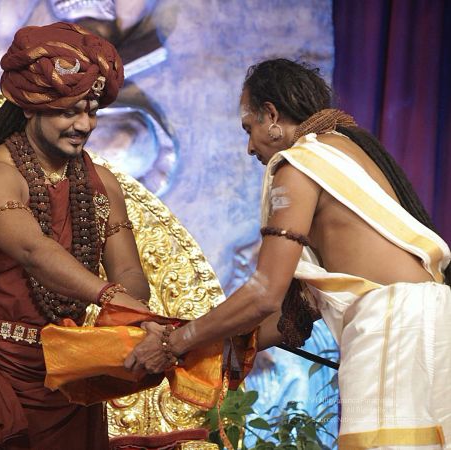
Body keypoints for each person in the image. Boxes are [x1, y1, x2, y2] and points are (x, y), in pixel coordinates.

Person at [125, 58, 451, 448]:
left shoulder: (298, 166)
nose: (250, 147)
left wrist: (174, 343)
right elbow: (295, 312)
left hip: (392, 325)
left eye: (249, 128)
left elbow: (264, 293)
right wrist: (213, 346)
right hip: (431, 319)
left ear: (271, 115)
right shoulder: (344, 151)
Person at [0, 22, 151, 450]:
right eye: (69, 111)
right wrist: (110, 296)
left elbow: (130, 272)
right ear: (29, 108)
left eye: (91, 111)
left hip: (68, 375)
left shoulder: (102, 184)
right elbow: (33, 250)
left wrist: (127, 315)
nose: (84, 125)